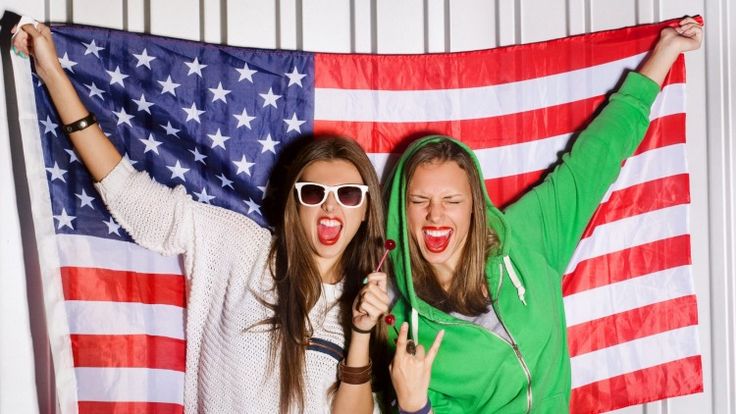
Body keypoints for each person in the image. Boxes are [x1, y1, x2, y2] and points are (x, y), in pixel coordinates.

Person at [12, 22, 391, 413]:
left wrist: (360, 332)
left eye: (348, 195)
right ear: (295, 204)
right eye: (314, 193)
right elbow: (130, 195)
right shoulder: (241, 246)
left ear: (364, 211)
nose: (331, 207)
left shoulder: (363, 305)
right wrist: (54, 75)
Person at [384, 17, 703, 413]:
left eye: (451, 199)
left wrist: (664, 53)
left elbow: (595, 157)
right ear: (402, 209)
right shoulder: (402, 325)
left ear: (475, 207)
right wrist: (413, 406)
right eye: (420, 200)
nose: (436, 215)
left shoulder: (528, 235)